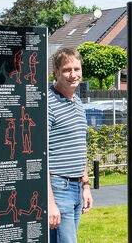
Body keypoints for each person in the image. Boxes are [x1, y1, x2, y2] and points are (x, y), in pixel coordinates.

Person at [47, 47, 93, 243]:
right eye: (67, 69)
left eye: (76, 69)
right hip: (58, 186)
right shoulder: (47, 102)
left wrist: (86, 185)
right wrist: (49, 202)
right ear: (56, 72)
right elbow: (40, 156)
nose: (73, 74)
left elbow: (80, 146)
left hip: (75, 187)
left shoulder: (78, 103)